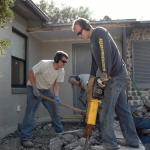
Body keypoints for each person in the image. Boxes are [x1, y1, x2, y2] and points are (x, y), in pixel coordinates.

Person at [72, 18, 139, 150]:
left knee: (106, 110)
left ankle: (110, 144)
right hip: (115, 75)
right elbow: (95, 61)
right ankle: (133, 141)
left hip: (113, 76)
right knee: (123, 110)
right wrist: (92, 77)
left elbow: (105, 53)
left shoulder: (99, 32)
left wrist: (104, 73)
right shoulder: (92, 41)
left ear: (85, 27)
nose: (79, 36)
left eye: (79, 33)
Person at [19, 51, 69, 148]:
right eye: (63, 61)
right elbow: (31, 72)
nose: (65, 64)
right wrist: (34, 88)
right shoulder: (44, 64)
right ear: (57, 60)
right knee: (30, 113)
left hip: (46, 91)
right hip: (33, 88)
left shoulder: (61, 71)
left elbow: (56, 84)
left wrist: (56, 96)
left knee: (54, 110)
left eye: (66, 62)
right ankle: (25, 138)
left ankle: (60, 132)